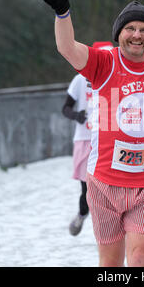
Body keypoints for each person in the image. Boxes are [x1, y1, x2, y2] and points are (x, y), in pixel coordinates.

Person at [33, 0, 144, 267]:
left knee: (139, 257)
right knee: (110, 263)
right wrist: (62, 13)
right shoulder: (104, 62)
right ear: (118, 33)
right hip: (104, 184)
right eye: (130, 28)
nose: (137, 34)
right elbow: (67, 48)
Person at [63, 41, 113, 236]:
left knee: (108, 187)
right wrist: (77, 115)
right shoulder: (79, 80)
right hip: (85, 139)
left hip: (108, 138)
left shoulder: (118, 77)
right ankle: (82, 213)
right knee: (87, 187)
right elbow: (65, 108)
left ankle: (109, 227)